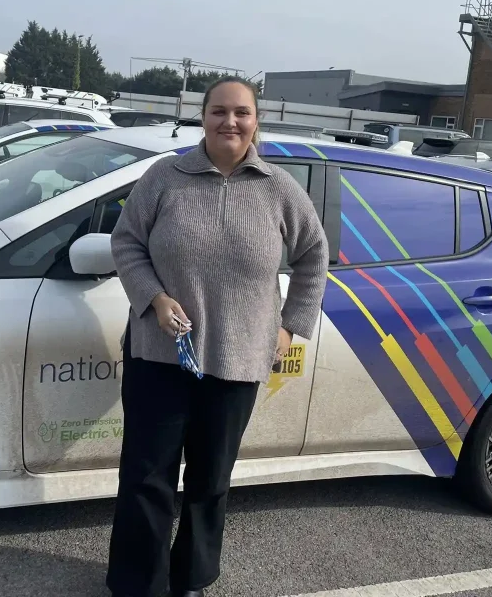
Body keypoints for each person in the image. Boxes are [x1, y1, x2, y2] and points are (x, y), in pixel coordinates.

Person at [107, 76, 329, 597]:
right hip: (159, 356)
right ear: (202, 117)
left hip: (236, 361)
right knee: (146, 477)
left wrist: (290, 326)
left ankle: (191, 578)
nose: (230, 122)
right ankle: (140, 585)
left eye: (242, 113)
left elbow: (314, 256)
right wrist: (154, 299)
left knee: (210, 482)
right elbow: (126, 243)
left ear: (256, 121)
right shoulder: (165, 176)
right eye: (219, 111)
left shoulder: (278, 189)